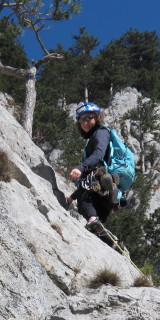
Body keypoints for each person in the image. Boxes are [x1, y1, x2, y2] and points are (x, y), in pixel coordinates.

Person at [66, 101, 121, 247]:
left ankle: (95, 223)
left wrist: (81, 167)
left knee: (85, 205)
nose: (85, 122)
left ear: (97, 118)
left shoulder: (101, 132)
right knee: (96, 226)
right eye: (81, 119)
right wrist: (72, 197)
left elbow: (98, 153)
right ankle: (112, 242)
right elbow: (84, 187)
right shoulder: (98, 134)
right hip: (103, 192)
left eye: (89, 118)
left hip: (97, 187)